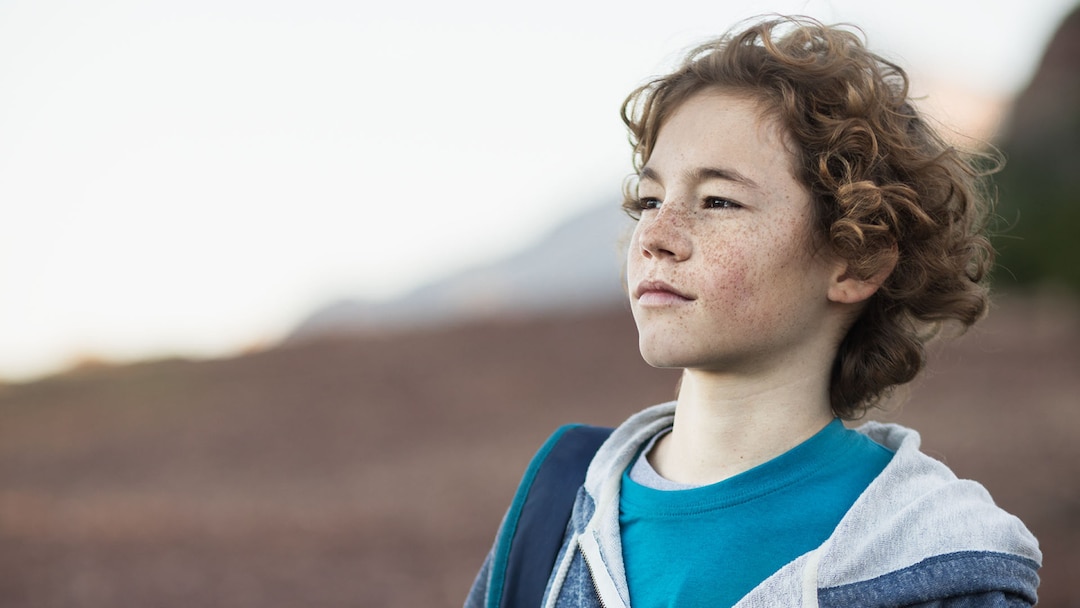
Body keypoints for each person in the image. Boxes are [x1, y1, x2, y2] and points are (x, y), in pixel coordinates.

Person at [466, 15, 1041, 608]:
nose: (655, 236)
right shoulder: (555, 501)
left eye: (719, 200)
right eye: (649, 198)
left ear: (856, 262)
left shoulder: (946, 566)